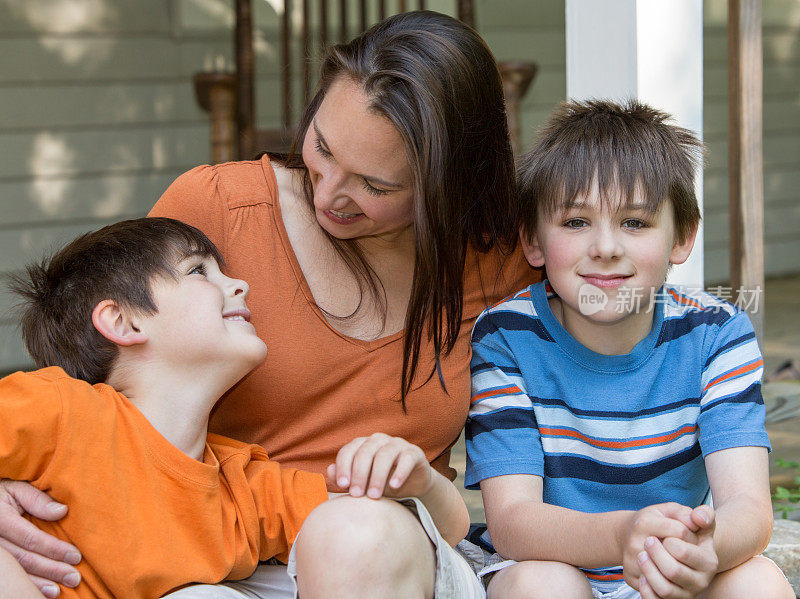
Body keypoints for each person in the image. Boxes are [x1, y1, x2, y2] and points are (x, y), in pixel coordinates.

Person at [0, 11, 538, 599]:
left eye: (375, 186)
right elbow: (109, 375)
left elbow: (630, 303)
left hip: (388, 554)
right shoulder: (217, 208)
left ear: (448, 183)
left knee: (351, 531)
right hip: (210, 567)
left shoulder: (503, 254)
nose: (329, 193)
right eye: (323, 149)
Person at [0, 217, 467, 599]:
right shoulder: (62, 412)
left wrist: (422, 482)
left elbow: (445, 530)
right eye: (199, 271)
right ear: (123, 320)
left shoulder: (243, 487)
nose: (240, 284)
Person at [465, 100, 795, 599]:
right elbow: (513, 521)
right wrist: (624, 536)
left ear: (681, 237)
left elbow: (748, 508)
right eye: (576, 222)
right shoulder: (508, 336)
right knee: (540, 585)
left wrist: (702, 550)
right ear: (533, 240)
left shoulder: (716, 333)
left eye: (635, 223)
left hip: (675, 565)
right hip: (556, 563)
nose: (605, 247)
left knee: (757, 582)